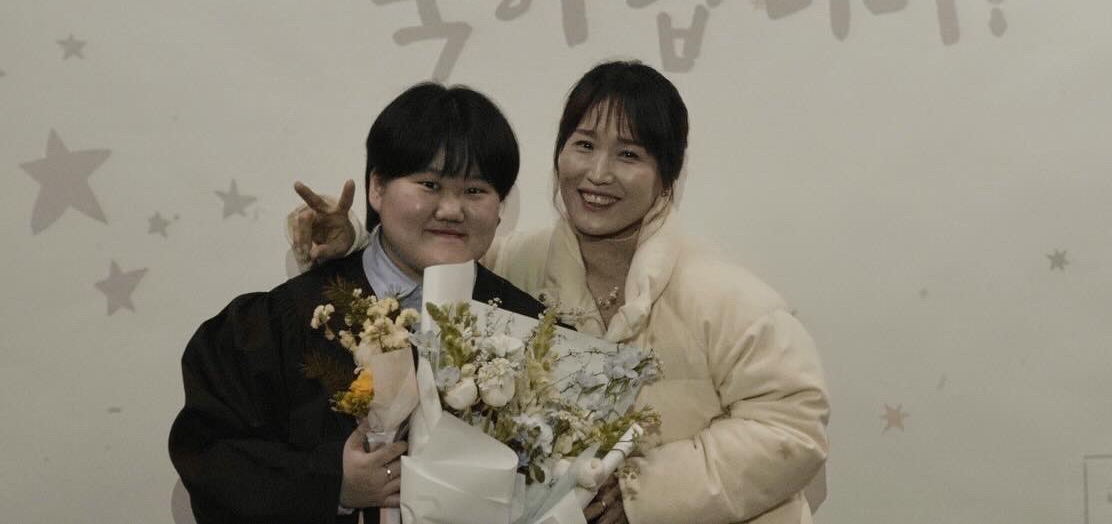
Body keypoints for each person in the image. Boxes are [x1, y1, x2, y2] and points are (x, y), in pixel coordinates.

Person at [294, 61, 830, 524]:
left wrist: (642, 492)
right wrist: (354, 240)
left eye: (629, 155)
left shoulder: (728, 295)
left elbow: (794, 429)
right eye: (584, 145)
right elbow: (428, 257)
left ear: (667, 176)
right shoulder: (514, 264)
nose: (598, 173)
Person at [170, 83, 546, 524]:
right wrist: (334, 484)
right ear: (377, 188)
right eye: (429, 184)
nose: (451, 210)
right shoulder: (286, 322)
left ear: (500, 207)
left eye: (475, 190)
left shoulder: (529, 331)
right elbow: (211, 457)